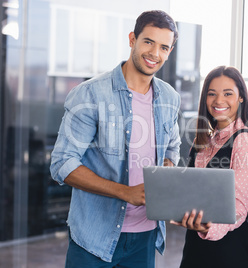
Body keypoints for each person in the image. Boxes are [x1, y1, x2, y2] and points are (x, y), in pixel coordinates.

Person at [50, 10, 181, 268]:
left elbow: (172, 149)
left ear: (170, 50)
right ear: (132, 39)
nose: (155, 53)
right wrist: (125, 192)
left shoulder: (169, 98)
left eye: (164, 47)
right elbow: (62, 164)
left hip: (145, 235)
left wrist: (166, 170)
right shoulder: (90, 94)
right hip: (94, 237)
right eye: (148, 42)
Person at [171, 66, 248, 268]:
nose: (219, 100)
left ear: (241, 98)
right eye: (212, 94)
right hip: (195, 245)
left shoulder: (245, 140)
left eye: (227, 94)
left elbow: (238, 208)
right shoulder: (203, 141)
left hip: (229, 252)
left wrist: (208, 228)